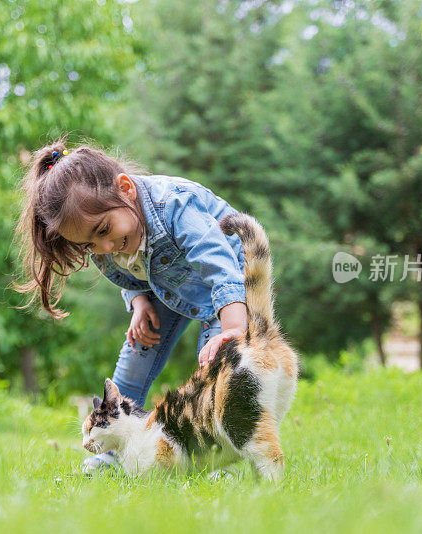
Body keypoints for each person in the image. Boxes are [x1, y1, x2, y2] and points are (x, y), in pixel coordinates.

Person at [14, 139, 248, 473]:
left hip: (229, 284)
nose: (105, 247)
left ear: (125, 189)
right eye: (89, 245)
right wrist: (138, 302)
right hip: (168, 287)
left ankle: (214, 459)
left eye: (104, 230)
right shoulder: (105, 243)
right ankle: (114, 448)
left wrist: (233, 329)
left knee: (214, 373)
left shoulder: (175, 205)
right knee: (137, 351)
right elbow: (127, 272)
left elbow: (219, 264)